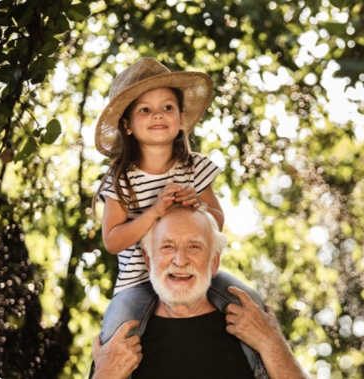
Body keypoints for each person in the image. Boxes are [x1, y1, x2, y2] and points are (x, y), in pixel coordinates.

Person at [93, 57, 264, 375]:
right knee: (117, 326)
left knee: (248, 299)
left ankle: (264, 372)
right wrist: (154, 212)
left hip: (196, 274)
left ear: (182, 119)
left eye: (167, 107)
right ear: (127, 125)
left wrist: (198, 205)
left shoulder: (195, 167)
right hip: (137, 283)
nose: (158, 114)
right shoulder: (120, 177)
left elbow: (218, 220)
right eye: (145, 109)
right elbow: (113, 240)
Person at [91, 205, 308, 379]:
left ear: (215, 261)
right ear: (148, 260)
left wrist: (271, 343)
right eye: (167, 246)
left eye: (194, 246)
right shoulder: (120, 341)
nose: (180, 260)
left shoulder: (251, 323)